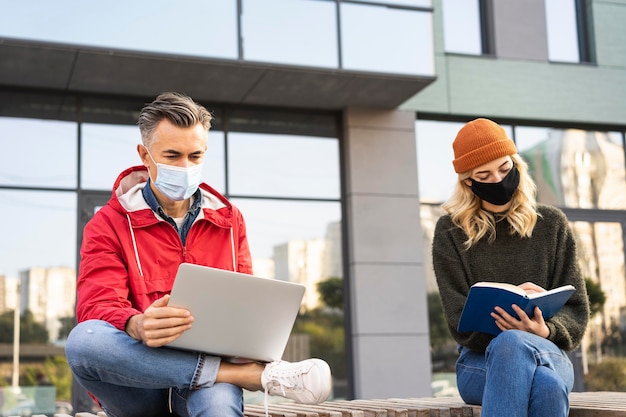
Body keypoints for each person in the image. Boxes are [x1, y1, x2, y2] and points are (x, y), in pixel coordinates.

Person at [65, 92, 332, 417]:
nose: (185, 167)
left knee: (218, 405)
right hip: (138, 385)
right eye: (173, 155)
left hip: (204, 384)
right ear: (145, 155)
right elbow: (96, 306)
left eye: (195, 156)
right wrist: (135, 324)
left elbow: (245, 305)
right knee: (84, 340)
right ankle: (245, 377)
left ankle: (230, 374)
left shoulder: (229, 220)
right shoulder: (108, 224)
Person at [432, 118, 590, 417]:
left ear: (517, 165)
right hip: (478, 363)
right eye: (484, 174)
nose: (498, 179)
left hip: (548, 352)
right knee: (541, 379)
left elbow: (576, 310)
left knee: (523, 349)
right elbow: (458, 319)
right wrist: (510, 328)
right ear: (468, 181)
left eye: (505, 169)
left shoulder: (551, 224)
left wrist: (543, 329)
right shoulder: (450, 232)